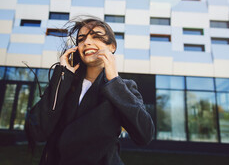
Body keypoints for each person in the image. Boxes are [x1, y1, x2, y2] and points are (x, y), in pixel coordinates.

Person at [25, 16, 154, 165]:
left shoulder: (124, 88)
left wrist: (114, 81)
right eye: (81, 39)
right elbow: (36, 131)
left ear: (112, 46)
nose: (86, 42)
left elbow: (145, 135)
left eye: (96, 36)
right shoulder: (64, 83)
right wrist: (62, 76)